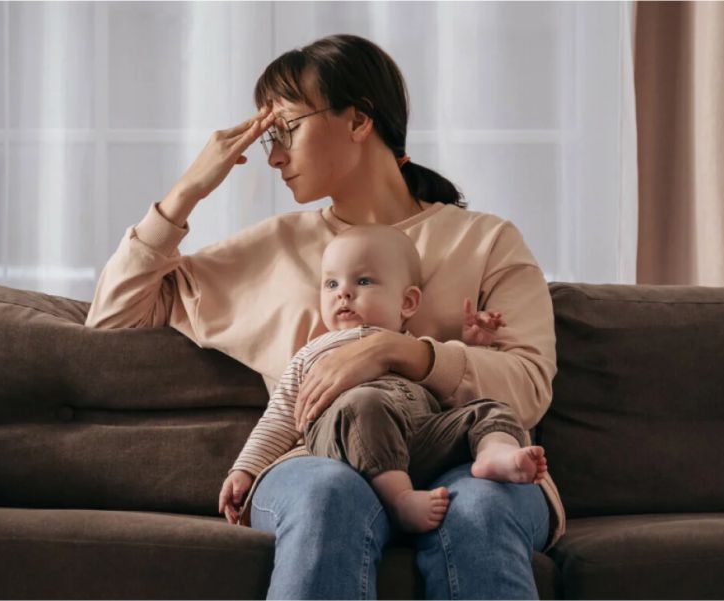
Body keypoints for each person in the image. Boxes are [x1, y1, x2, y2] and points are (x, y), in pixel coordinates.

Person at [86, 33, 564, 599]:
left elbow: (528, 388)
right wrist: (187, 192)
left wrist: (399, 351)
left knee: (480, 510)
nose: (274, 154)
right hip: (320, 460)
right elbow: (112, 319)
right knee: (328, 496)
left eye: (286, 128)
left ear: (358, 120)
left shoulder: (486, 242)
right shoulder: (272, 247)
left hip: (466, 456)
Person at [220, 224, 548, 534]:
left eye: (363, 282)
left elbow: (453, 389)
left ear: (407, 302)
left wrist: (475, 346)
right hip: (346, 439)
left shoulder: (413, 345)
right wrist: (244, 469)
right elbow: (278, 418)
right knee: (365, 402)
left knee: (489, 409)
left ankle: (493, 455)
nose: (343, 293)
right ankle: (399, 500)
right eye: (331, 284)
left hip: (417, 438)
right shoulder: (312, 353)